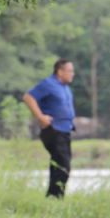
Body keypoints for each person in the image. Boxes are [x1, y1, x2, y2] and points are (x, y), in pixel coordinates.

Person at [22, 59, 76, 198]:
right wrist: (40, 116)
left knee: (60, 165)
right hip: (54, 130)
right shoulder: (48, 84)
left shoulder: (64, 87)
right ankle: (55, 197)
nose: (72, 74)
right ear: (60, 71)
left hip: (64, 131)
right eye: (69, 71)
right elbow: (28, 97)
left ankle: (53, 197)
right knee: (63, 165)